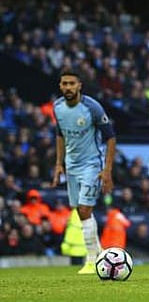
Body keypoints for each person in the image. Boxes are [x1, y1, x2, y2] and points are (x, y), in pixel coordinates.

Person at [52, 69, 116, 274]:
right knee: (80, 212)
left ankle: (90, 260)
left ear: (80, 86)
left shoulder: (92, 108)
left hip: (92, 164)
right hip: (71, 165)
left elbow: (110, 138)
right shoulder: (58, 108)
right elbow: (60, 135)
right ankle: (99, 253)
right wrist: (58, 163)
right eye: (64, 83)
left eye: (72, 83)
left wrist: (107, 171)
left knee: (85, 209)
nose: (68, 87)